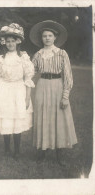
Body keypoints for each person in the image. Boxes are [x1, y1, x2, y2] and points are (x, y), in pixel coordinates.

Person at [29, 20, 77, 164]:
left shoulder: (62, 54)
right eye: (44, 36)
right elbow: (30, 72)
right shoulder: (38, 55)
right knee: (42, 116)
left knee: (59, 118)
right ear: (41, 38)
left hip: (57, 86)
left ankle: (59, 153)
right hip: (42, 85)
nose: (47, 38)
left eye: (50, 35)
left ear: (55, 37)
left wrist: (65, 96)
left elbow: (68, 76)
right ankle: (42, 151)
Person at [0, 23, 35, 159]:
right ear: (4, 43)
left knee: (16, 118)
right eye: (8, 41)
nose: (10, 44)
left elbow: (28, 78)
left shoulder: (23, 58)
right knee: (6, 118)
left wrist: (27, 98)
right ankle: (6, 148)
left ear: (18, 42)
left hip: (18, 90)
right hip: (4, 91)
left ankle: (17, 150)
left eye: (13, 41)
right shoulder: (1, 59)